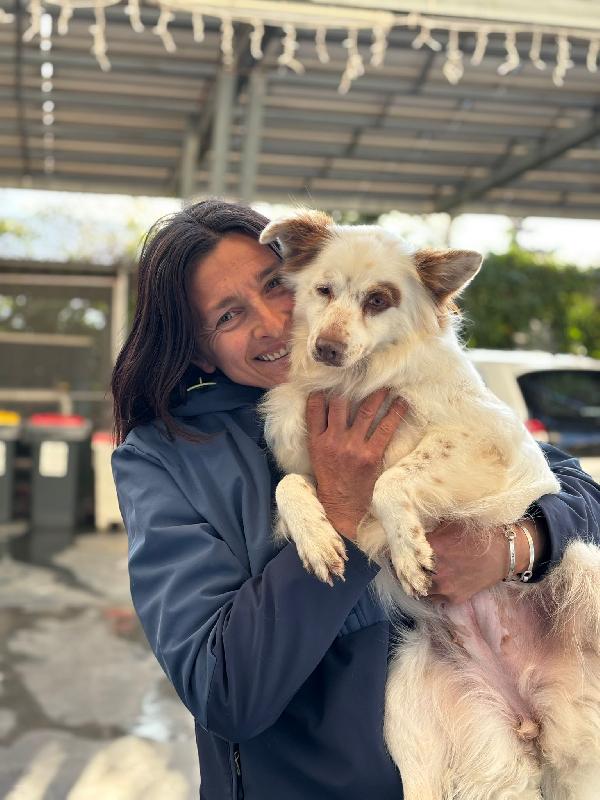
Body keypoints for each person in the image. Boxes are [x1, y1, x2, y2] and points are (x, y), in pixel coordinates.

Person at [111, 199, 600, 800]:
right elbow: (224, 692)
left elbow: (573, 492)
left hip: (507, 733)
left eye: (273, 285)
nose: (271, 320)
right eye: (229, 316)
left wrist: (514, 548)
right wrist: (341, 507)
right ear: (196, 349)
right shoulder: (165, 459)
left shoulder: (386, 374)